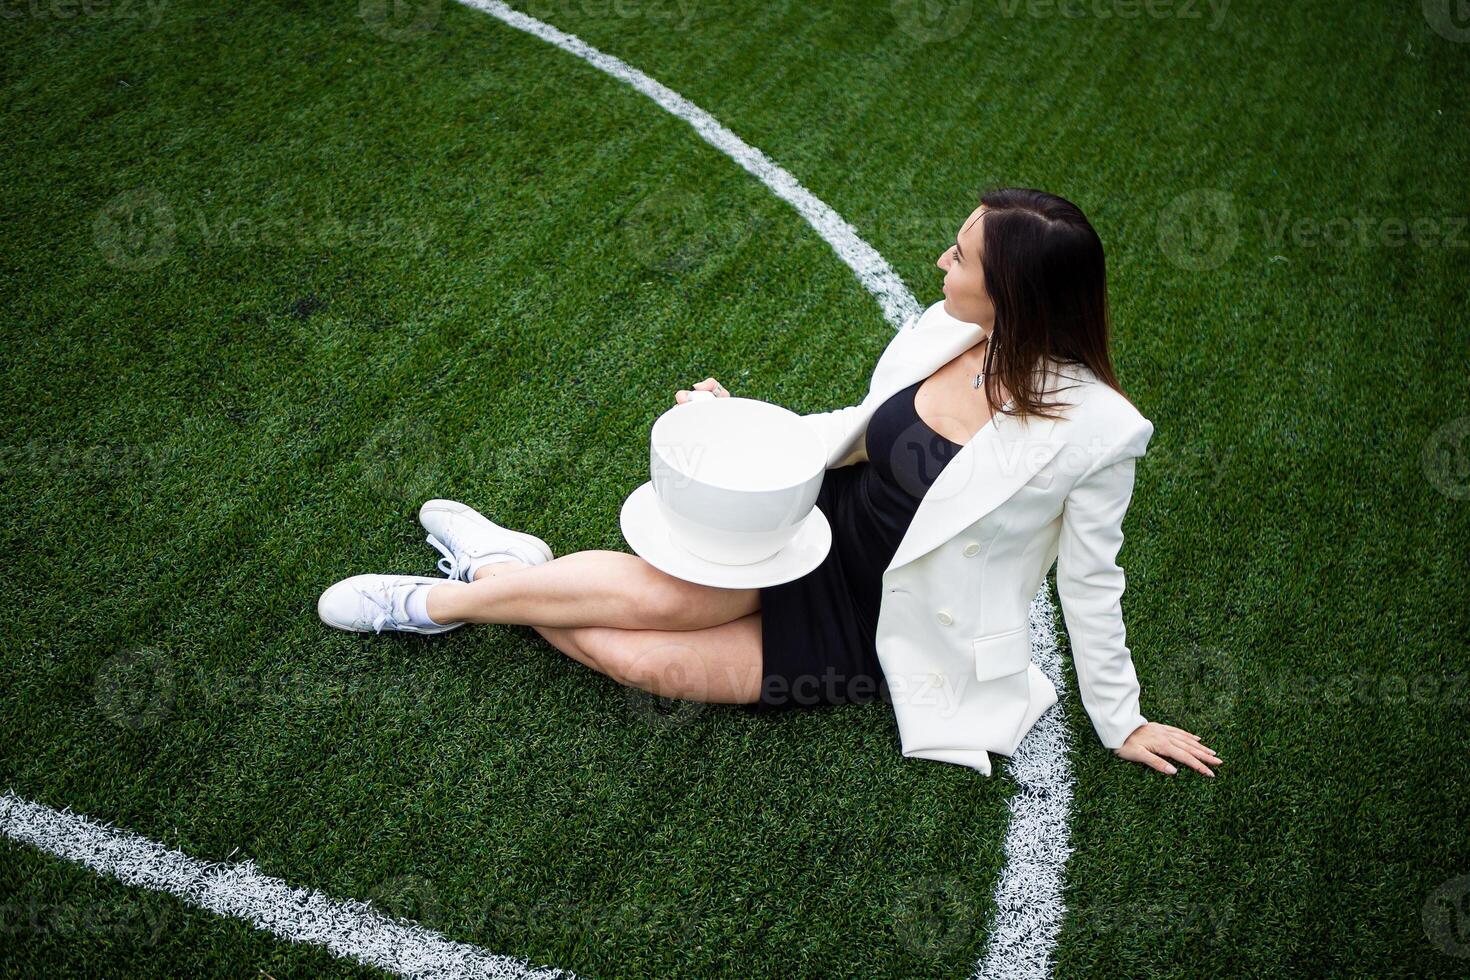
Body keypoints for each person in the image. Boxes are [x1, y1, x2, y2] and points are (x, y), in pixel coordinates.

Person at [317, 188, 1220, 778]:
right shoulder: (946, 331)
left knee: (636, 656)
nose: (941, 264)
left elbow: (1092, 580)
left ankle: (496, 572)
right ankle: (435, 605)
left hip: (883, 616)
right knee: (663, 602)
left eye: (960, 258)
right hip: (811, 533)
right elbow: (858, 432)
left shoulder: (1102, 431)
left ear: (1012, 292)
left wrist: (1123, 718)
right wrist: (750, 420)